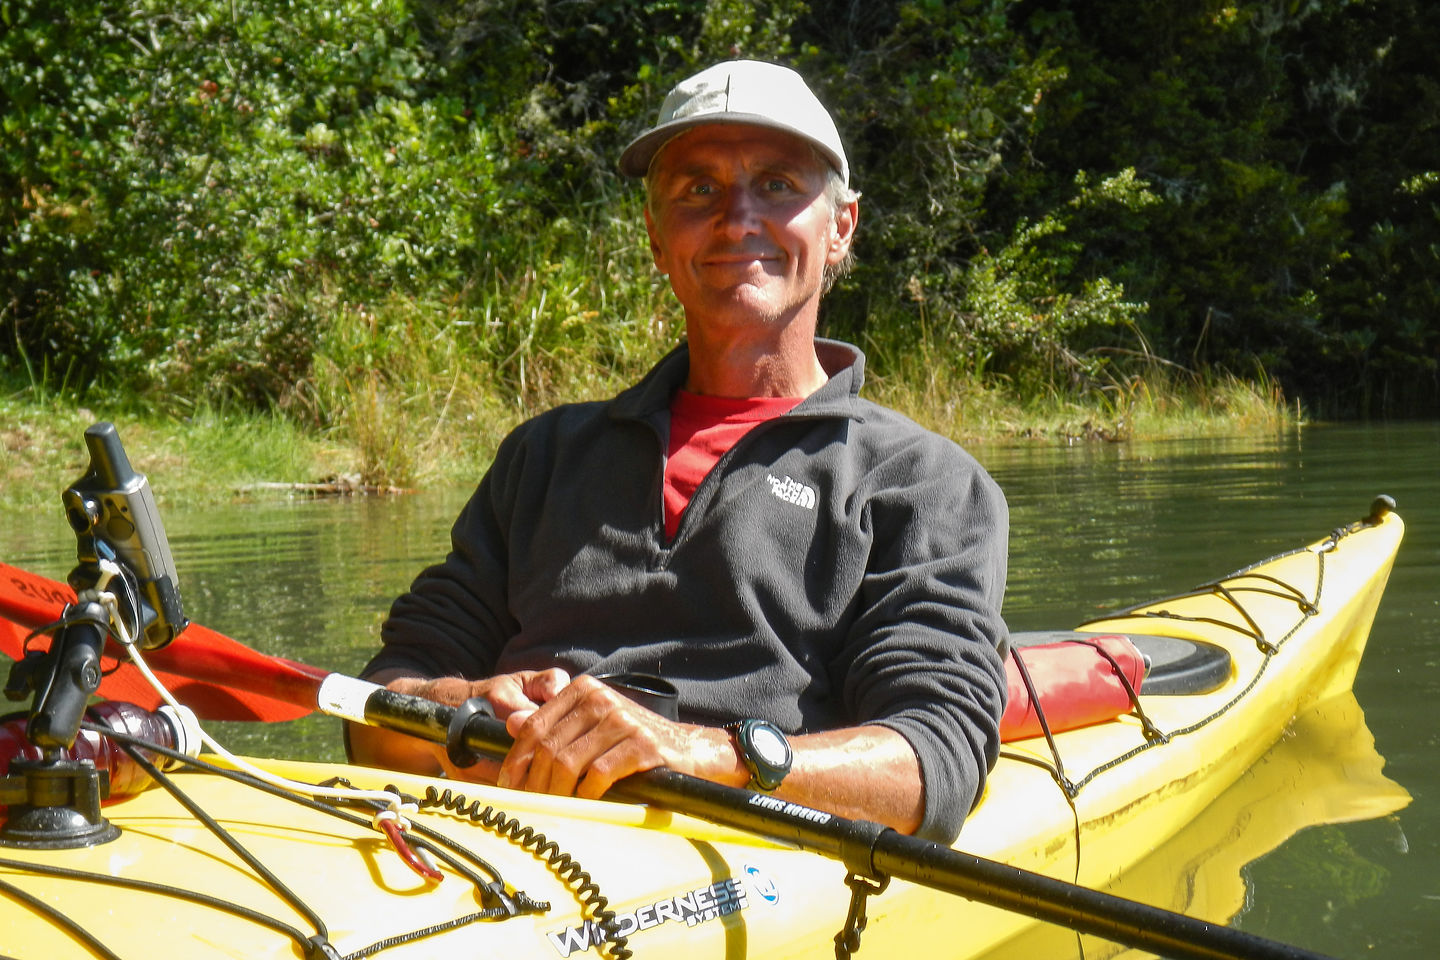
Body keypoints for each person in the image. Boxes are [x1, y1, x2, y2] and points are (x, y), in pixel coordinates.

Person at [347, 60, 1009, 844]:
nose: (736, 219)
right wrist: (462, 704)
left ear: (841, 227)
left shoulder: (922, 482)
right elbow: (372, 713)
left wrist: (704, 755)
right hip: (494, 833)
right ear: (657, 239)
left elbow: (935, 763)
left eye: (777, 185)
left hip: (731, 861)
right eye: (698, 190)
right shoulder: (545, 454)